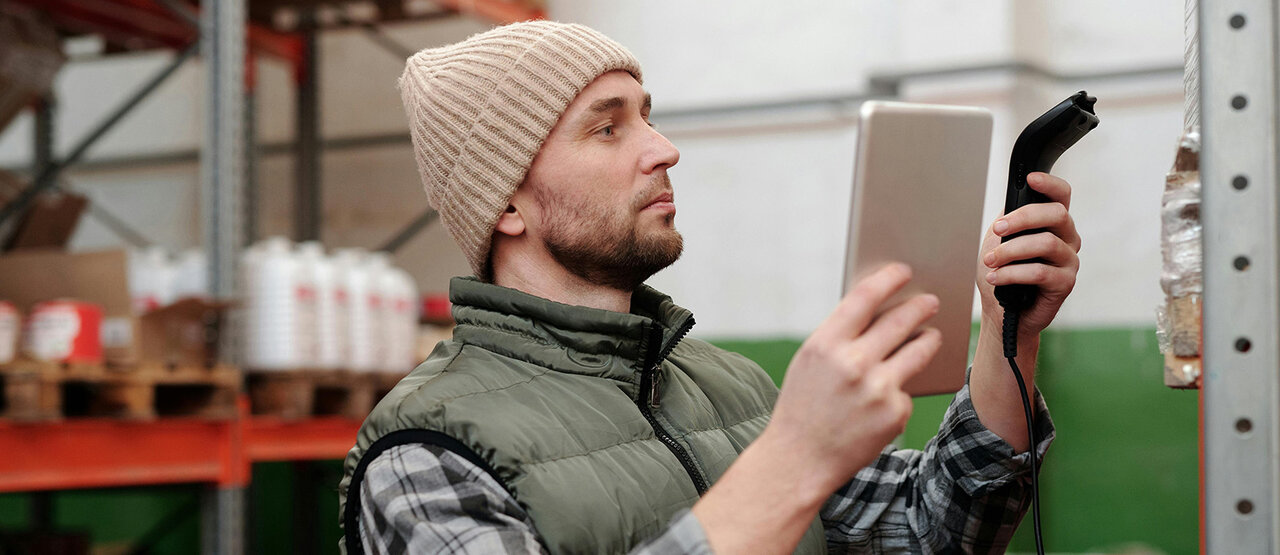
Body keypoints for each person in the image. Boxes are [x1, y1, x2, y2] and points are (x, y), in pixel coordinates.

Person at [339, 20, 1078, 554]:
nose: (664, 150)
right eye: (607, 129)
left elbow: (930, 529)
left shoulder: (734, 389)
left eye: (647, 118)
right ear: (506, 204)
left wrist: (1008, 329)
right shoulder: (425, 454)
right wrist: (793, 458)